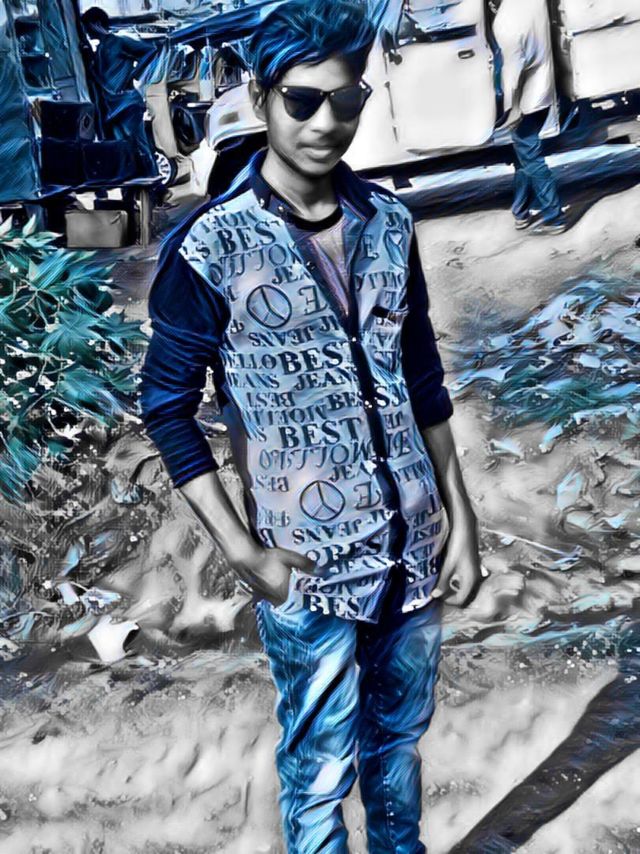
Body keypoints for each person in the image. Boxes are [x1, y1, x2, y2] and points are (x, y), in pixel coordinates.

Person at [140, 1, 483, 850]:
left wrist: (463, 521)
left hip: (413, 551)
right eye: (302, 101)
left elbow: (422, 380)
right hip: (310, 569)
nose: (327, 123)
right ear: (261, 98)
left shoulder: (390, 225)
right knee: (321, 772)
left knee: (397, 752)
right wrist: (245, 554)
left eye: (347, 99)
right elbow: (167, 410)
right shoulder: (208, 250)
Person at [491, 0, 569, 234]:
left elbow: (512, 75)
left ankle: (555, 217)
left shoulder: (505, 24)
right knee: (524, 156)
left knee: (531, 158)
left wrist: (512, 109)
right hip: (545, 91)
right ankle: (521, 211)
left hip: (526, 101)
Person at [81, 7, 158, 177]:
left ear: (96, 24)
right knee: (124, 149)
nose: (87, 32)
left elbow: (150, 51)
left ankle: (153, 180)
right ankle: (136, 183)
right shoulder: (99, 49)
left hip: (127, 103)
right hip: (112, 108)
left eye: (87, 27)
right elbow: (99, 79)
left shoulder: (119, 42)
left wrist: (134, 74)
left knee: (139, 145)